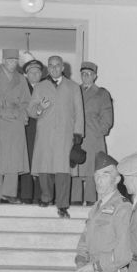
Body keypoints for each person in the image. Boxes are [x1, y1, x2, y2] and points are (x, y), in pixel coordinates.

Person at [27, 55, 84, 218]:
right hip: (45, 133)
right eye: (50, 66)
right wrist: (40, 108)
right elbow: (31, 111)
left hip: (65, 134)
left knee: (63, 170)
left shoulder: (73, 87)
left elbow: (79, 112)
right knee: (44, 168)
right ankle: (45, 197)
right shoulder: (40, 87)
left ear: (63, 67)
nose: (54, 68)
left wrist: (78, 134)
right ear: (47, 68)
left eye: (57, 65)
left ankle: (62, 204)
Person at [0, 49, 31, 204]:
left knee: (14, 159)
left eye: (15, 61)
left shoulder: (21, 79)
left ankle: (9, 193)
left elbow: (27, 102)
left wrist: (21, 115)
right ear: (3, 60)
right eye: (9, 60)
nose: (12, 64)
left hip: (15, 124)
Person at [72, 61, 114, 206]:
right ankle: (75, 200)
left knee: (92, 170)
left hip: (93, 137)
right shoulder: (74, 90)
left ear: (95, 76)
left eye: (89, 74)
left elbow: (107, 117)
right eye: (83, 74)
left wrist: (99, 131)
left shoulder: (102, 93)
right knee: (75, 169)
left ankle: (91, 200)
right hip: (76, 136)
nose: (86, 77)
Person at [19, 59, 44, 204]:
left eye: (37, 72)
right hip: (26, 130)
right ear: (26, 74)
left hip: (43, 131)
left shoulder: (47, 88)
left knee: (41, 163)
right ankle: (26, 195)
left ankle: (40, 195)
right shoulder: (21, 89)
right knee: (26, 162)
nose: (34, 75)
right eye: (31, 72)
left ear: (41, 74)